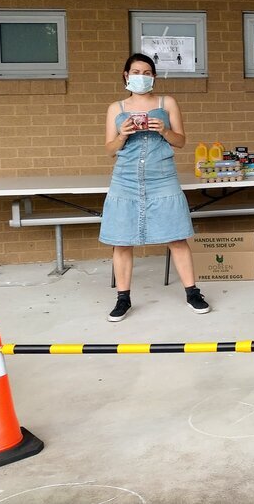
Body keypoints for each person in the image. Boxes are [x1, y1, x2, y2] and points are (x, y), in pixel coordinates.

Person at [99, 53, 209, 322]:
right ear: (126, 75)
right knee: (121, 241)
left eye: (147, 73)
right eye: (136, 72)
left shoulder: (166, 102)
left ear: (154, 77)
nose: (141, 77)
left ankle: (192, 292)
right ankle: (123, 298)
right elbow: (109, 150)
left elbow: (181, 142)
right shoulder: (116, 108)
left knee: (177, 236)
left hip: (162, 176)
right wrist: (123, 134)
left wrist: (163, 130)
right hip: (125, 179)